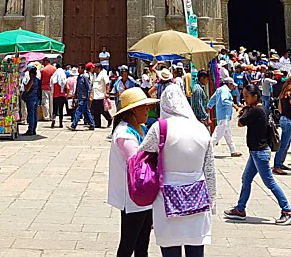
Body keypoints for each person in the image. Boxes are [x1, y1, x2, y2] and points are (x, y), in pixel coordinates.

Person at [139, 85, 216, 255]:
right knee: (196, 249)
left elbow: (140, 155)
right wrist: (212, 202)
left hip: (167, 198)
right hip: (198, 199)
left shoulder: (160, 128)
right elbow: (209, 169)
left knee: (170, 249)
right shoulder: (201, 129)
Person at [224, 83, 291, 225]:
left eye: (246, 96)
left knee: (269, 182)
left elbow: (240, 123)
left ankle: (287, 210)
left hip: (260, 152)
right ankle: (240, 209)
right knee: (246, 179)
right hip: (256, 152)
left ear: (255, 96)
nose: (244, 99)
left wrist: (243, 111)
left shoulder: (255, 111)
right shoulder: (261, 108)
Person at [108, 87, 159, 257]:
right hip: (133, 197)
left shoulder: (139, 128)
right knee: (128, 245)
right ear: (133, 110)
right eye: (144, 107)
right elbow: (139, 162)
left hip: (143, 196)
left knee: (142, 245)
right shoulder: (124, 134)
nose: (148, 110)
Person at [207, 76, 241, 157]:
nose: (233, 87)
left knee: (228, 135)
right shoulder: (225, 90)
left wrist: (209, 106)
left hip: (224, 116)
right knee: (217, 134)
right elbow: (224, 100)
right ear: (229, 84)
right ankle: (207, 150)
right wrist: (234, 105)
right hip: (224, 115)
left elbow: (213, 98)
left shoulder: (219, 90)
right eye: (232, 85)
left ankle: (233, 151)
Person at [69, 64, 96, 131]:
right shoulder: (78, 77)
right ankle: (92, 124)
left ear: (83, 69)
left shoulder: (85, 77)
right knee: (86, 111)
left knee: (78, 111)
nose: (78, 70)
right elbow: (77, 87)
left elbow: (89, 88)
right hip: (79, 97)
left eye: (79, 68)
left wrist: (89, 96)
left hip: (84, 97)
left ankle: (73, 125)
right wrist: (75, 94)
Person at [21, 63, 42, 136]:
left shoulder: (32, 80)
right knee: (34, 114)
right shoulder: (37, 80)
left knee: (31, 114)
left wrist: (25, 86)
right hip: (36, 98)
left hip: (31, 99)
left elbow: (27, 89)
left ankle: (30, 130)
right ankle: (34, 129)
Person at [92, 63, 112, 128]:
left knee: (102, 110)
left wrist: (107, 93)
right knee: (95, 110)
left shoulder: (103, 74)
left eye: (95, 68)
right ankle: (97, 124)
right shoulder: (94, 75)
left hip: (101, 95)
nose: (94, 69)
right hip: (95, 95)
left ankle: (109, 118)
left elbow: (107, 84)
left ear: (99, 68)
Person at [50, 62, 67, 128]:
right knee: (61, 110)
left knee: (54, 110)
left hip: (55, 96)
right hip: (62, 96)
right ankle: (60, 123)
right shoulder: (63, 81)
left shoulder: (54, 80)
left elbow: (51, 87)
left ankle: (53, 121)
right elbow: (66, 87)